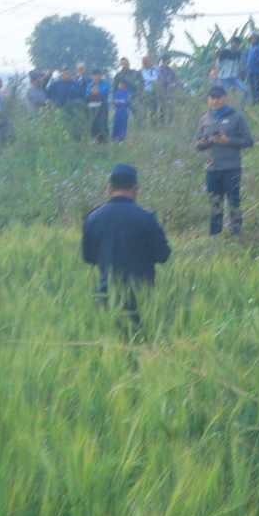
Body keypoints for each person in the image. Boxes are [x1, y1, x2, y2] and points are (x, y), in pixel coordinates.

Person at [80, 163, 171, 327]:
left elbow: (88, 257)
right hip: (140, 297)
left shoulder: (93, 218)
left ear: (108, 188)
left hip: (106, 295)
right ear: (136, 188)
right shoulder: (147, 218)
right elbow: (163, 255)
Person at [195, 85, 254, 237]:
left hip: (231, 167)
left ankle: (236, 233)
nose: (215, 101)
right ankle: (215, 235)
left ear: (224, 98)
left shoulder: (237, 117)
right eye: (212, 98)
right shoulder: (204, 118)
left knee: (234, 201)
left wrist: (227, 140)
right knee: (215, 202)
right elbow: (197, 144)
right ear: (208, 100)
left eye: (218, 98)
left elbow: (248, 141)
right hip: (212, 168)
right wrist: (206, 141)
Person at [86, 68, 111, 144]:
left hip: (103, 107)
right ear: (92, 76)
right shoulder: (89, 85)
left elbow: (105, 91)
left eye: (98, 75)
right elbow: (87, 94)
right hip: (92, 108)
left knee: (102, 123)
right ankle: (94, 139)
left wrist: (96, 91)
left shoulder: (105, 84)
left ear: (101, 76)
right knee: (93, 124)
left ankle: (105, 140)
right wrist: (93, 91)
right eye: (94, 75)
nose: (96, 77)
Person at [243, 34, 259, 104]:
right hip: (249, 70)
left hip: (257, 69)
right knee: (251, 86)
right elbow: (245, 58)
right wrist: (246, 65)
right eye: (252, 39)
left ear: (257, 39)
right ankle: (253, 100)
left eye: (255, 38)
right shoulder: (249, 48)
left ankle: (258, 100)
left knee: (257, 85)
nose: (253, 40)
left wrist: (258, 61)